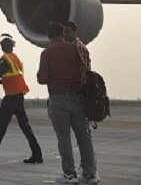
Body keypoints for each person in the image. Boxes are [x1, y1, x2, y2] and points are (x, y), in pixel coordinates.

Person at [38, 22, 98, 184]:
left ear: (49, 36)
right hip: (77, 98)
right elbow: (84, 72)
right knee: (83, 137)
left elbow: (42, 79)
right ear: (62, 34)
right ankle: (90, 173)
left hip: (58, 98)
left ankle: (70, 174)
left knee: (63, 137)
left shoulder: (47, 52)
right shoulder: (76, 49)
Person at [0, 34, 42, 164]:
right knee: (25, 126)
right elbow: (11, 75)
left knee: (1, 125)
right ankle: (37, 154)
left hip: (11, 97)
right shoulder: (15, 59)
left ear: (3, 46)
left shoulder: (5, 59)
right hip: (18, 95)